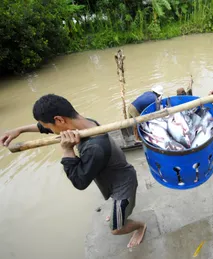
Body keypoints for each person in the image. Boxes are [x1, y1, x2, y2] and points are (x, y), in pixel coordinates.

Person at [0, 94, 146, 248]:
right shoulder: (85, 122)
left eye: (50, 127)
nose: (51, 131)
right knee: (117, 208)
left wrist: (67, 149)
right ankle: (119, 211)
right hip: (112, 176)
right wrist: (19, 130)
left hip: (123, 186)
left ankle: (140, 226)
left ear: (59, 119)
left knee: (116, 229)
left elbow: (79, 182)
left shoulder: (95, 148)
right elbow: (44, 127)